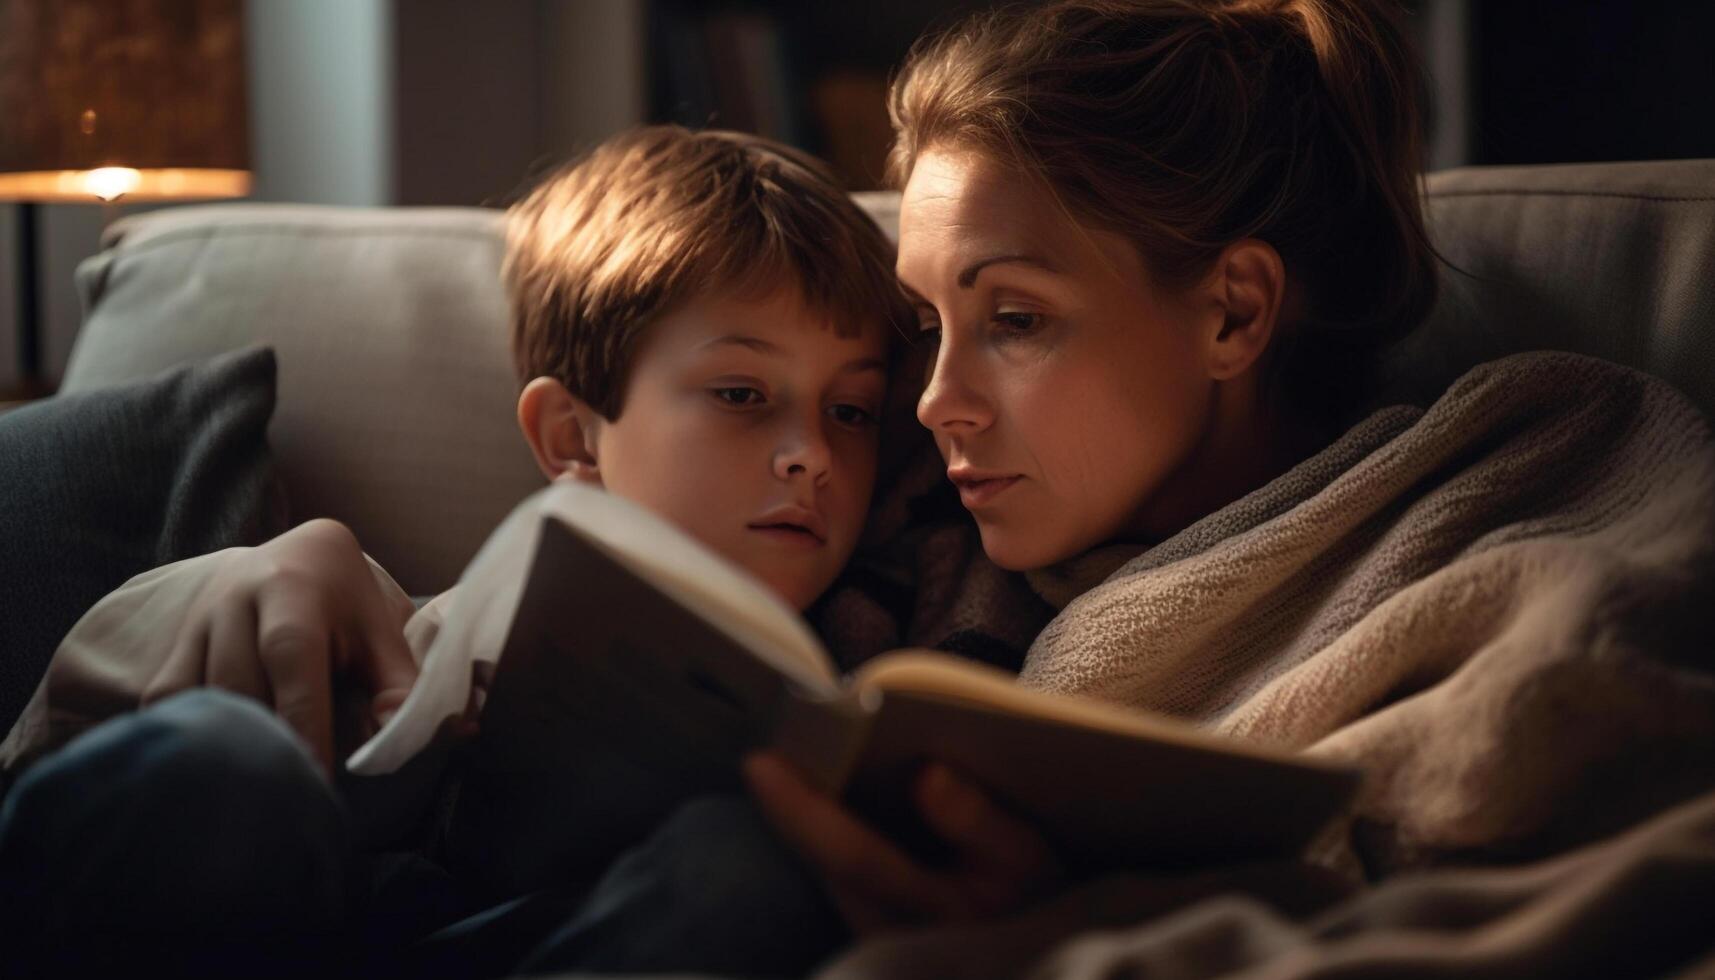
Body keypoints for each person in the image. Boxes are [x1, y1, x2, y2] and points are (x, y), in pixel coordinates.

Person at [742, 0, 1715, 971]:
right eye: (927, 321)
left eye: (1016, 318)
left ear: (1231, 312)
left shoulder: (1528, 480)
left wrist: (1085, 921)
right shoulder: (898, 534)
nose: (936, 400)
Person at [0, 124, 913, 976]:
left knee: (746, 867)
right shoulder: (375, 615)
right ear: (571, 437)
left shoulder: (875, 668)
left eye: (850, 411)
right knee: (223, 761)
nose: (814, 456)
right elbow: (52, 743)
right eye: (743, 394)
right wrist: (246, 579)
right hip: (309, 904)